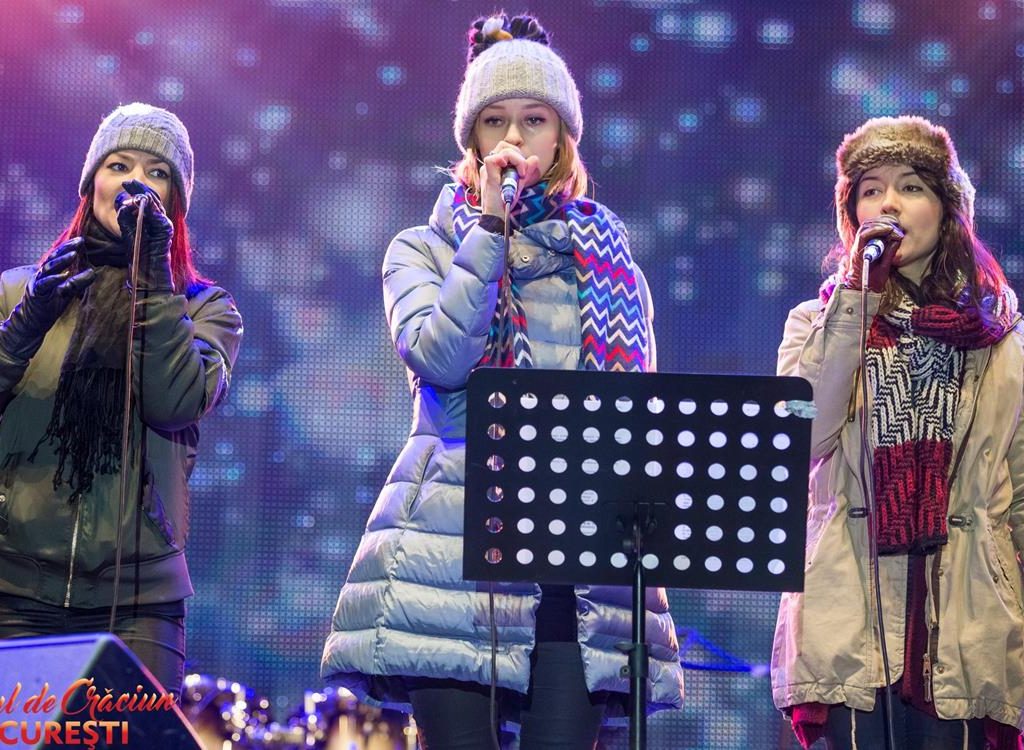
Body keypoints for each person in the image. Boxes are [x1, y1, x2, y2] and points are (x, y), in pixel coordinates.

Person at [321, 13, 683, 749]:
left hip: (577, 571)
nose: (515, 137)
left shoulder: (612, 267)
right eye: (495, 121)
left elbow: (635, 426)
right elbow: (441, 358)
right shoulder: (423, 249)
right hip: (454, 557)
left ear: (563, 138)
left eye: (534, 119)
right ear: (474, 141)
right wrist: (488, 231)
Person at [772, 115, 1024, 749]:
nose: (889, 204)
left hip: (971, 620)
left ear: (948, 209)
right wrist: (856, 301)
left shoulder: (1002, 339)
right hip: (851, 615)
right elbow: (803, 439)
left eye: (911, 187)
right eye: (870, 190)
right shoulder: (816, 322)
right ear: (852, 215)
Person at [0, 103, 243, 696]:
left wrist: (154, 280)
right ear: (92, 185)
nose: (136, 182)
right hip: (12, 589)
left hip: (138, 604)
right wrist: (23, 327)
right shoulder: (17, 293)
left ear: (174, 204)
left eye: (157, 173)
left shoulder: (205, 310)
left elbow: (173, 402)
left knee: (132, 739)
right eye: (119, 165)